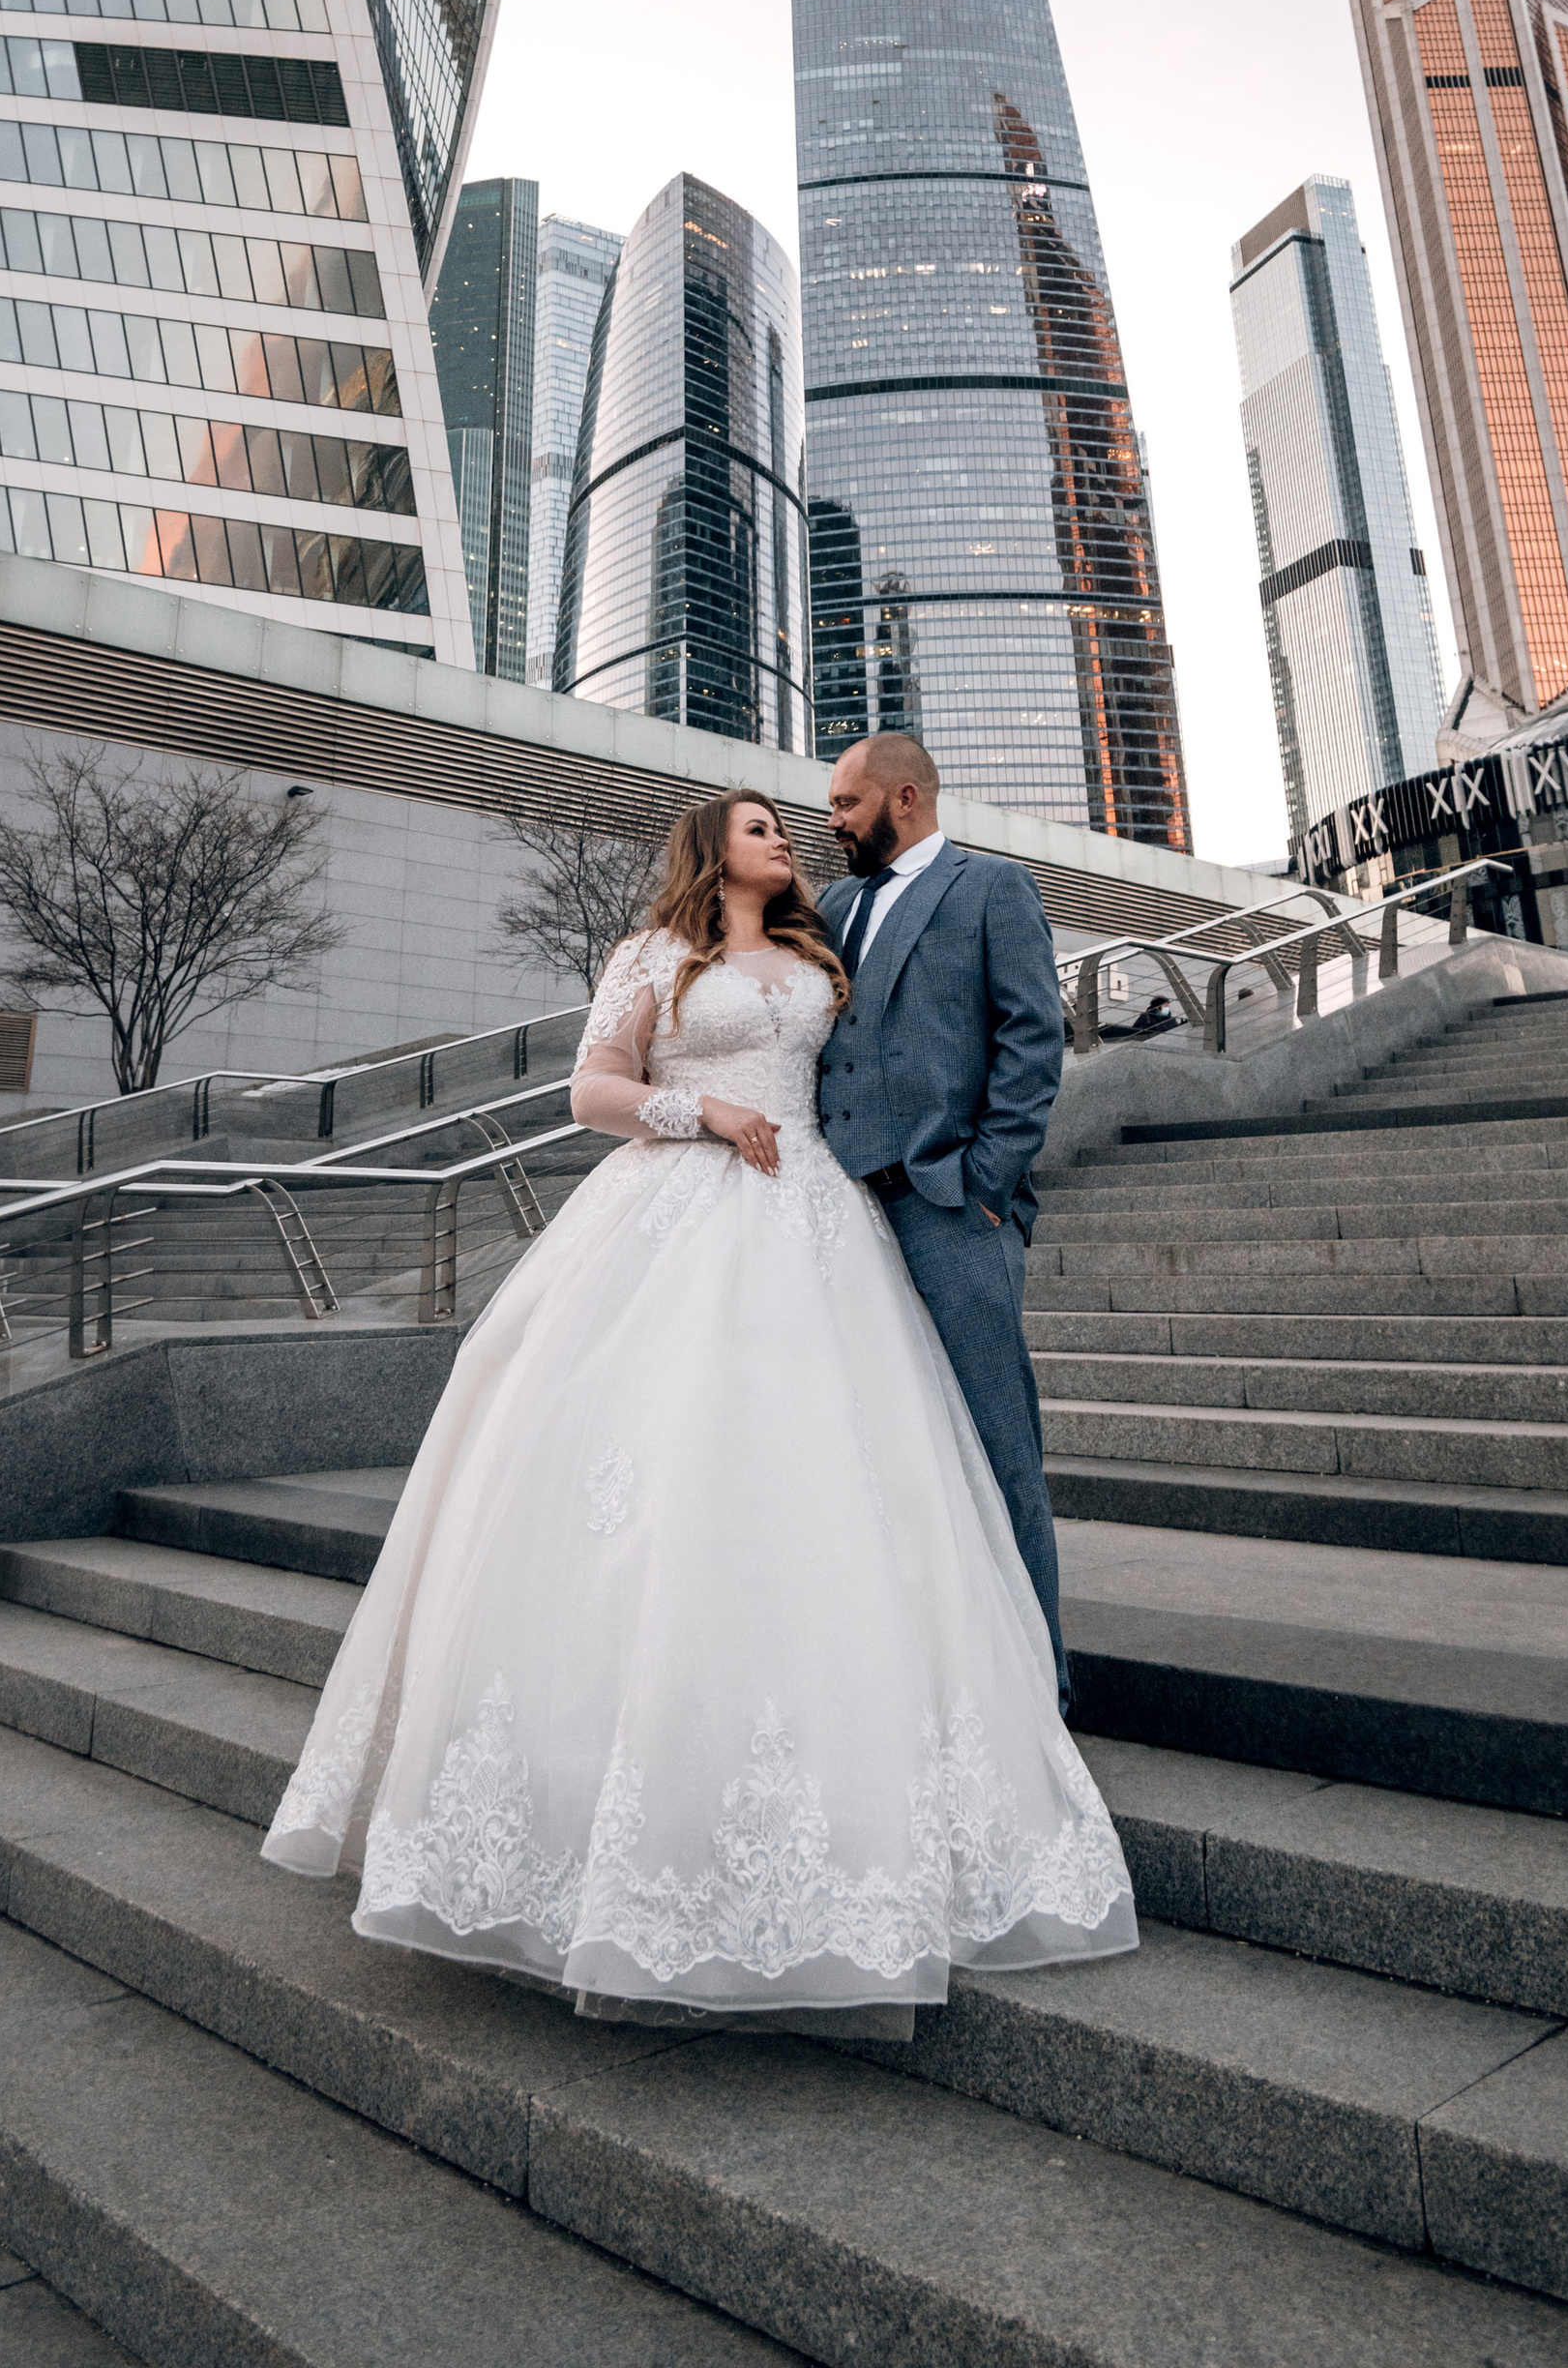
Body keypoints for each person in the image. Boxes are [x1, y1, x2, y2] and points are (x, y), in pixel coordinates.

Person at [262, 788, 1134, 2030]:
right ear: (708, 851)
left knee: (842, 1487)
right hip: (681, 1208)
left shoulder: (816, 950)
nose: (789, 836)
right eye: (763, 826)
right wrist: (706, 1113)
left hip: (825, 1220)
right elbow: (591, 1091)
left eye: (800, 823)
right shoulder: (652, 957)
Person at [815, 733, 1072, 1703]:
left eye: (846, 802)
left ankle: (1039, 1687)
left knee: (999, 1447)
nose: (831, 819)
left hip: (949, 1208)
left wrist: (987, 1181)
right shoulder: (833, 904)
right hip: (839, 1211)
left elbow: (1033, 1038)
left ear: (905, 798)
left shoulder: (989, 889)